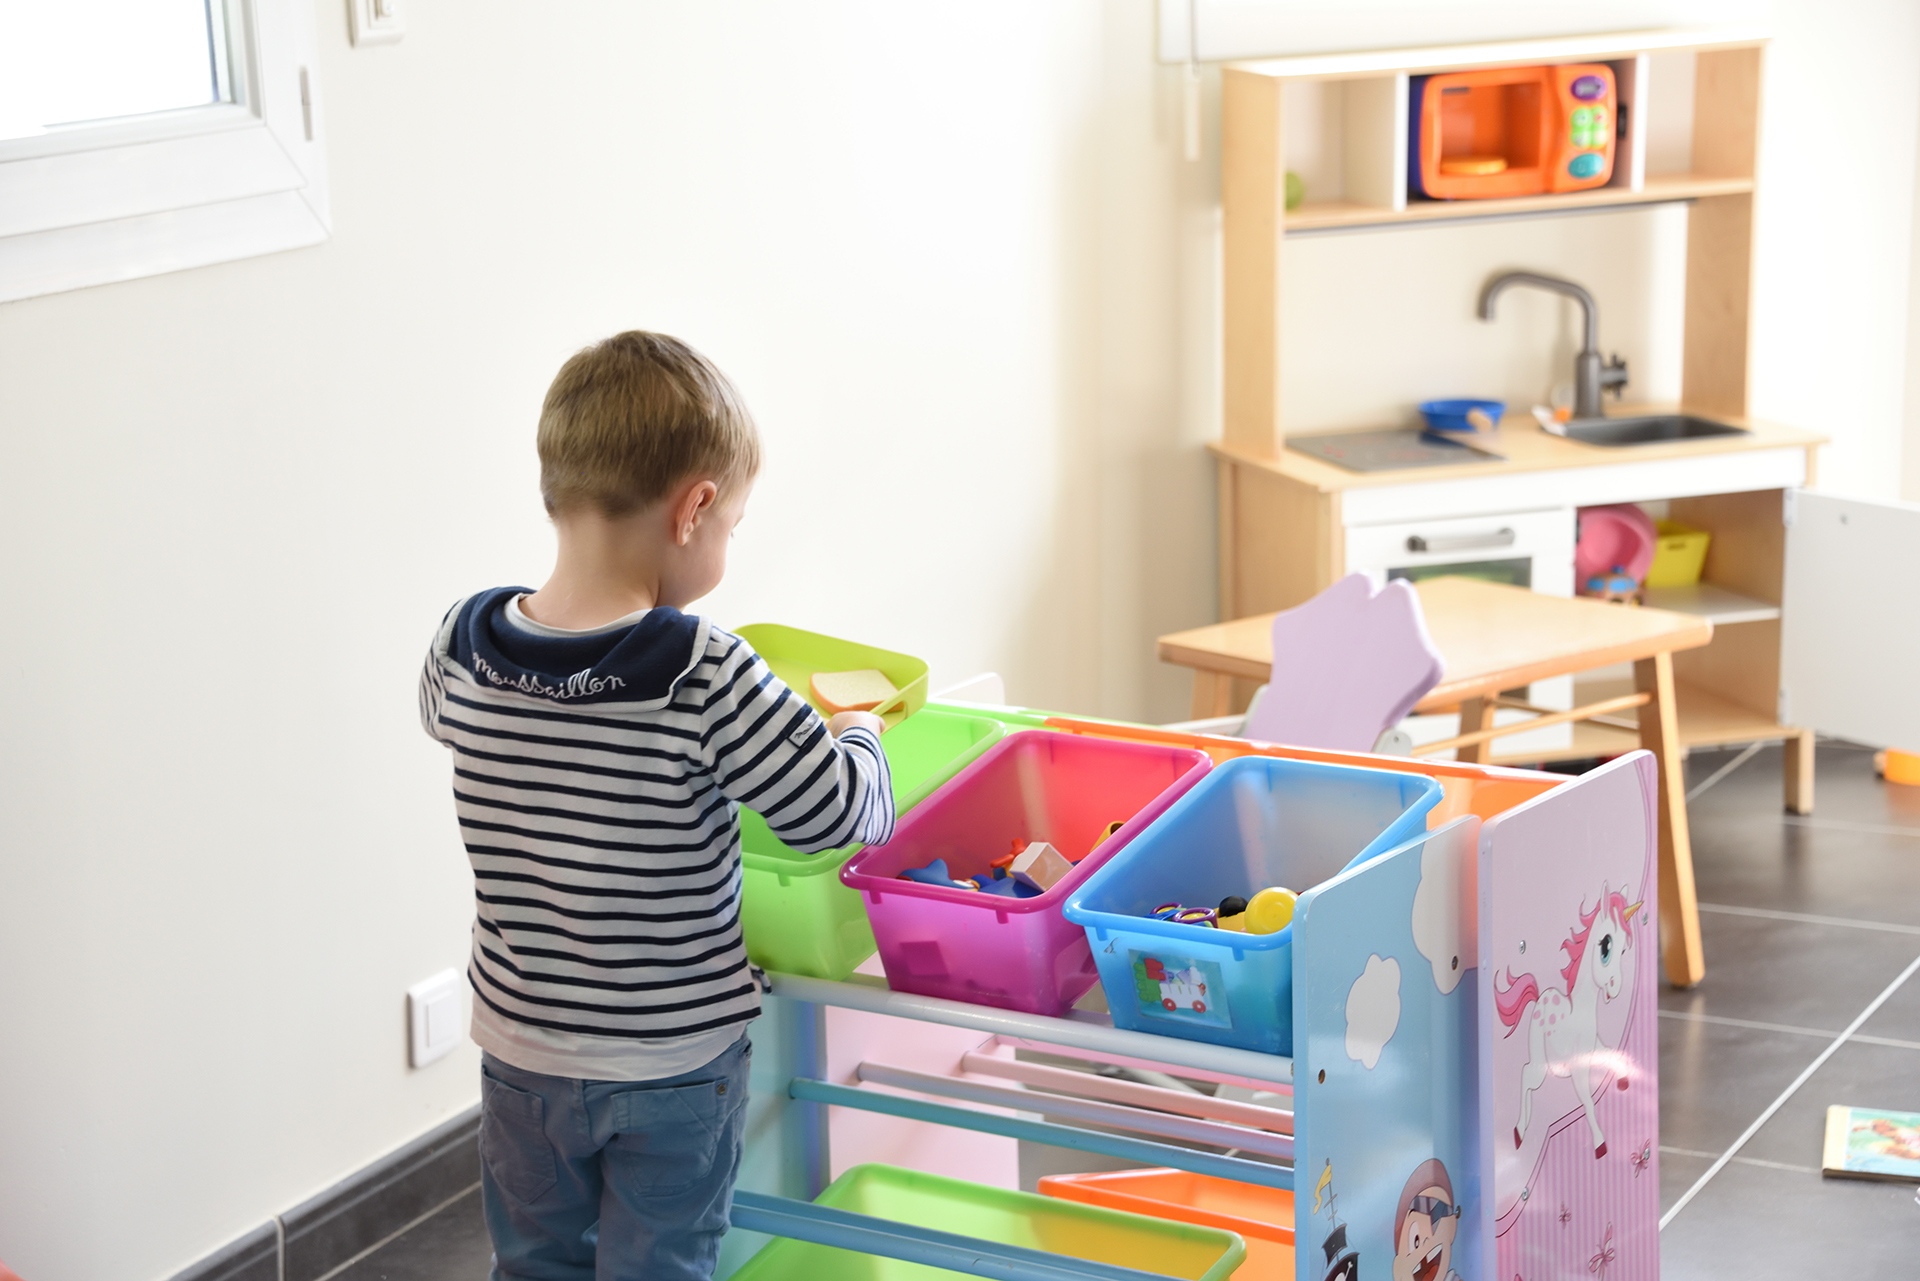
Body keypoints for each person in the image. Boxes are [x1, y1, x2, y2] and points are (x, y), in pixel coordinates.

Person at [418, 331, 895, 1280]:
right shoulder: (700, 668)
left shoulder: (464, 642)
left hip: (521, 1052)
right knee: (659, 1266)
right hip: (671, 1063)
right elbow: (839, 816)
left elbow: (458, 725)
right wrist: (860, 731)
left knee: (535, 1263)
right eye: (734, 522)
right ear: (696, 508)